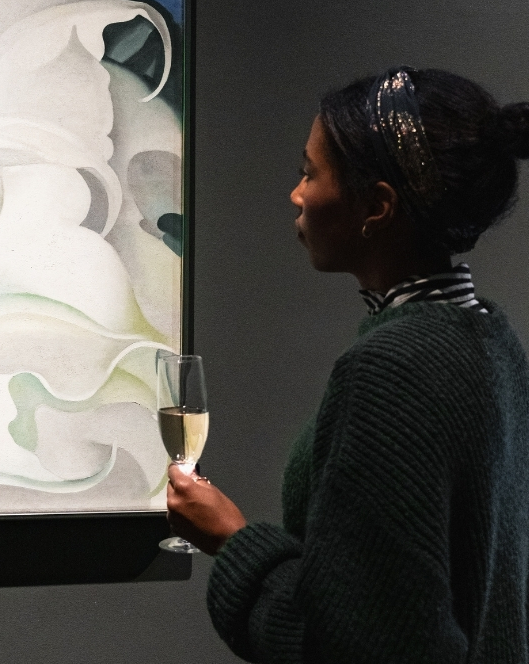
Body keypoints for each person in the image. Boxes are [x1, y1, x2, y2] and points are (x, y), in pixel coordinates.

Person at [166, 67, 529, 663]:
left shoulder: (394, 370)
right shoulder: (492, 341)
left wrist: (232, 541)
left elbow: (354, 643)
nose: (297, 193)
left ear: (376, 207)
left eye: (310, 173)